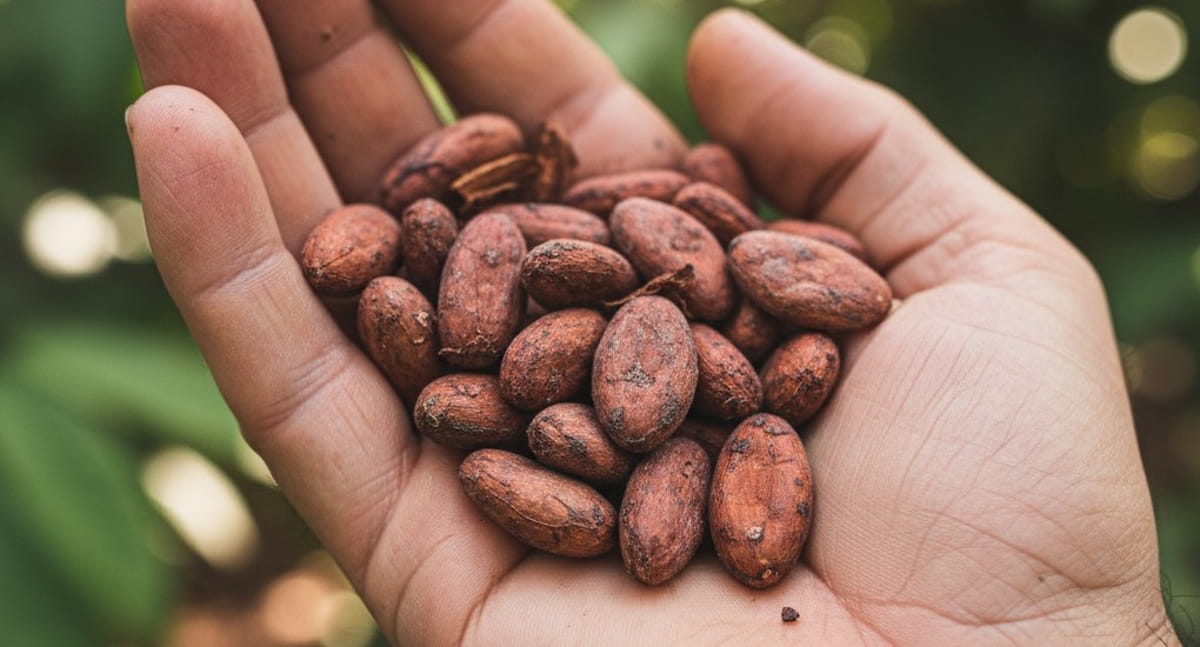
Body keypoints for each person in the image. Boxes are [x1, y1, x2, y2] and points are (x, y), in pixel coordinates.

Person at [123, 2, 1178, 644]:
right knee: (467, 338)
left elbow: (699, 349)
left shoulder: (731, 360)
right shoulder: (539, 323)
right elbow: (526, 378)